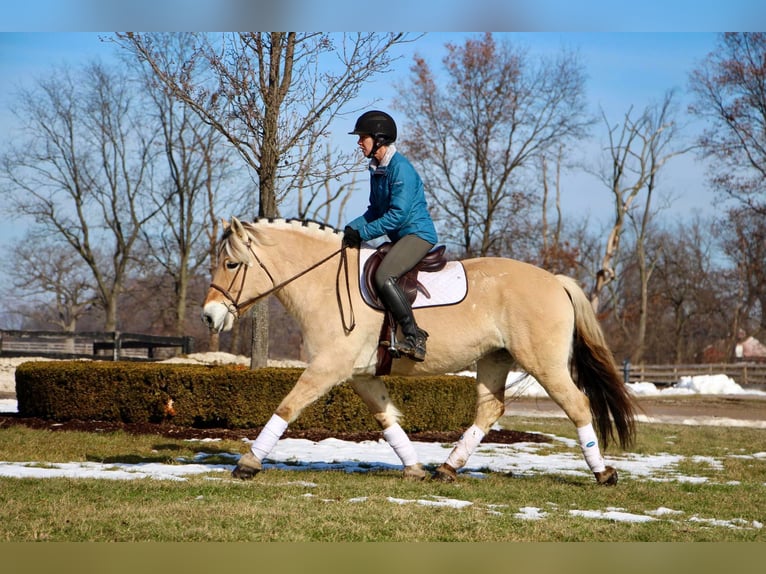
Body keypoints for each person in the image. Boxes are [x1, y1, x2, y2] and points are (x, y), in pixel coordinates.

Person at [343, 110, 438, 362]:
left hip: (417, 234)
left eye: (363, 137)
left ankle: (415, 335)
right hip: (399, 237)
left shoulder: (400, 169)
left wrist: (361, 233)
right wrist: (347, 230)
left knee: (384, 275)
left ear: (379, 139)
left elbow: (396, 216)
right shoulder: (378, 169)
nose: (359, 142)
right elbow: (375, 211)